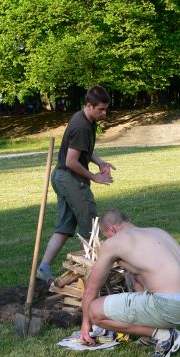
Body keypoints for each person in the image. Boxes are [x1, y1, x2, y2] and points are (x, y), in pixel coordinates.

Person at [80, 209, 180, 357]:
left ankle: (165, 336)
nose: (107, 239)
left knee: (94, 311)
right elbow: (139, 277)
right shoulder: (157, 232)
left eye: (106, 235)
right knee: (135, 277)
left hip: (173, 306)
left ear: (112, 229)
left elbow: (91, 289)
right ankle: (155, 333)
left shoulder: (113, 243)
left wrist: (86, 323)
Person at [36, 86, 115, 282]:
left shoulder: (86, 119)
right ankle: (96, 275)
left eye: (106, 109)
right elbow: (72, 161)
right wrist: (94, 177)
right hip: (69, 178)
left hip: (62, 176)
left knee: (65, 226)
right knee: (90, 224)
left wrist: (101, 163)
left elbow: (83, 151)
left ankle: (43, 268)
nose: (104, 113)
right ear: (89, 105)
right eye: (101, 109)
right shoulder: (81, 125)